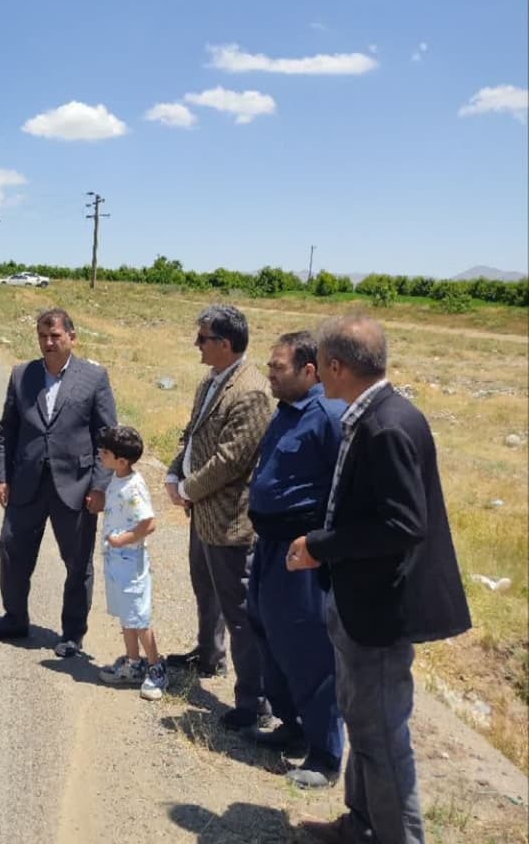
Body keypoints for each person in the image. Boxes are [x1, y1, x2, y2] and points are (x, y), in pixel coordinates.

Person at [289, 316, 471, 844]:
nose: (317, 374)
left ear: (338, 366)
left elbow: (402, 524)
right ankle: (361, 823)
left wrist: (320, 547)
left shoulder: (387, 424)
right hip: (361, 600)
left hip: (383, 609)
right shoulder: (369, 415)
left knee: (384, 738)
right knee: (364, 724)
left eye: (321, 364)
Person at [0, 307, 118, 658]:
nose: (48, 342)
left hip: (75, 486)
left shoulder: (93, 378)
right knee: (11, 552)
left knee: (77, 563)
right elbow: (6, 430)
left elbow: (106, 437)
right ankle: (14, 620)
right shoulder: (22, 374)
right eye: (43, 335)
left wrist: (100, 486)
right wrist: (1, 476)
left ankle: (72, 634)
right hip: (26, 483)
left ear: (72, 337)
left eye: (55, 336)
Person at [164, 304, 271, 729]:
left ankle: (255, 702)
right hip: (202, 513)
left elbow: (231, 461)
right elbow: (193, 436)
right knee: (204, 589)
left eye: (203, 338)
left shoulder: (252, 391)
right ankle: (208, 656)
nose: (196, 344)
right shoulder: (212, 380)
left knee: (239, 611)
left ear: (225, 344)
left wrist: (186, 488)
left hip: (229, 521)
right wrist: (175, 470)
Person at [246, 331, 346, 789]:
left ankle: (325, 754)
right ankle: (291, 724)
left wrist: (319, 544)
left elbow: (344, 488)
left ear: (310, 371)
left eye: (277, 367)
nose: (269, 373)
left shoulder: (329, 415)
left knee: (307, 648)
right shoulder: (286, 412)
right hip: (268, 544)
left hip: (300, 551)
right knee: (266, 630)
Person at [95, 426, 168, 700]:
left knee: (139, 616)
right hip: (116, 560)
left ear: (122, 460)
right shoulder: (117, 477)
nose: (100, 455)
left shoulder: (134, 486)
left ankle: (155, 666)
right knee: (127, 614)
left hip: (130, 560)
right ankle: (133, 662)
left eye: (105, 452)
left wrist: (122, 540)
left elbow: (148, 523)